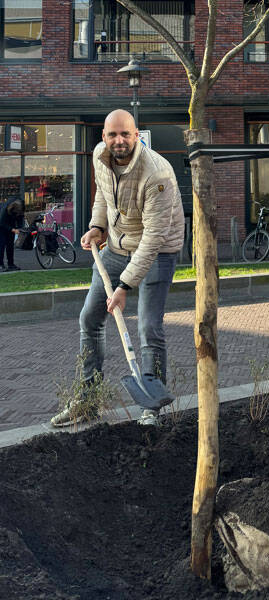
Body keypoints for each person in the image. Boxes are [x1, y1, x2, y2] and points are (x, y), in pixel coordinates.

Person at [50, 109, 185, 428]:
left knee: (148, 327)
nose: (119, 140)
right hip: (115, 248)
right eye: (112, 135)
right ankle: (88, 397)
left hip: (158, 250)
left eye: (125, 134)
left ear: (136, 135)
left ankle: (152, 406)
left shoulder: (158, 174)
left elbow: (154, 237)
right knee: (90, 317)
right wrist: (97, 226)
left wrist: (124, 287)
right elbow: (104, 197)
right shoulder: (100, 156)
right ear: (104, 138)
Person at [0, 197, 24, 271]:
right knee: (2, 245)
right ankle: (0, 265)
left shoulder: (21, 205)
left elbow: (21, 217)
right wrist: (12, 229)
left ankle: (11, 264)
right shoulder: (4, 210)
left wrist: (20, 228)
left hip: (11, 223)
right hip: (1, 224)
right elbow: (1, 223)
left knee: (10, 245)